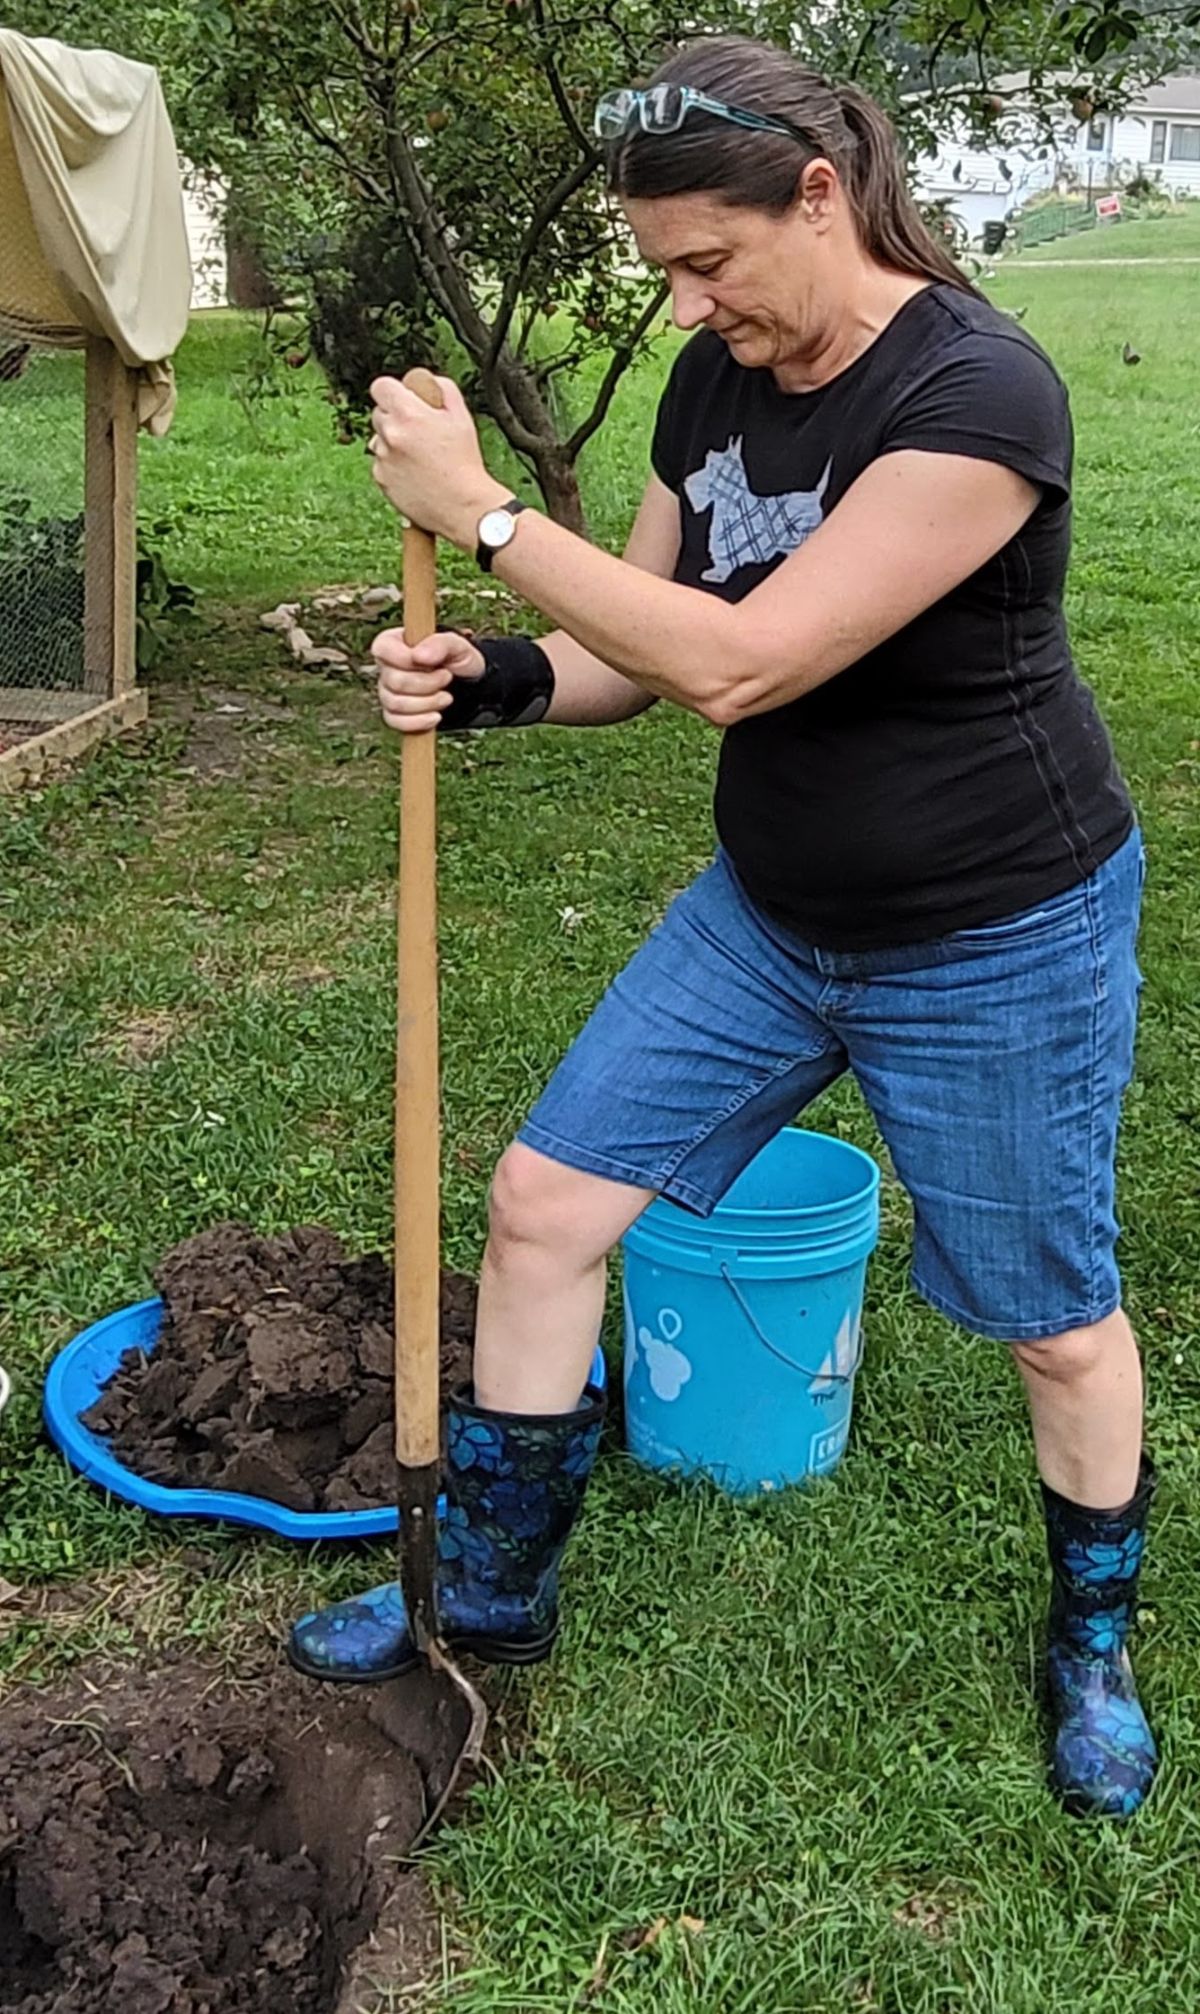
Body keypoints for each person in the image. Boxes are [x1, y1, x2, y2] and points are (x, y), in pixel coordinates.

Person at [288, 34, 1155, 1821]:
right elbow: (646, 636)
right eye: (662, 269)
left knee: (1053, 1318)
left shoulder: (983, 395)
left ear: (820, 195)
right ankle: (497, 1590)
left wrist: (485, 514)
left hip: (999, 926)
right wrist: (502, 671)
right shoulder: (712, 386)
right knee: (541, 1206)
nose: (687, 302)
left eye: (708, 259)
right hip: (771, 911)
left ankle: (1093, 1635)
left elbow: (749, 664)